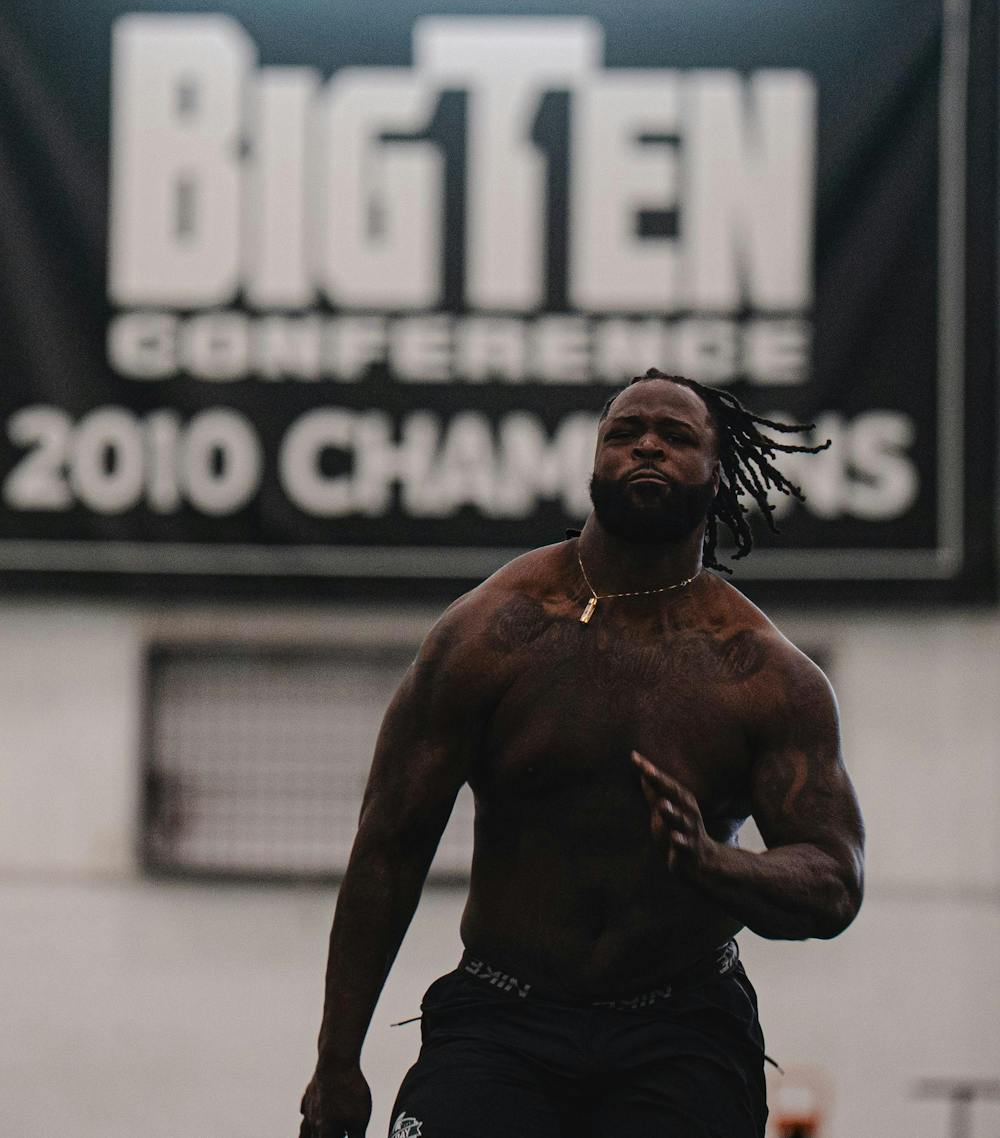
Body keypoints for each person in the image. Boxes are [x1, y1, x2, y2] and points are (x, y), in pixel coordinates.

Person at [298, 370, 865, 1138]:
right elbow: (387, 848)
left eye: (676, 436)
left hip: (681, 1025)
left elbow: (834, 882)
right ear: (594, 462)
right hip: (503, 1013)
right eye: (624, 433)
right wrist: (337, 1062)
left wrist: (714, 864)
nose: (647, 447)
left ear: (717, 471)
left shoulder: (764, 675)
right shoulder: (491, 632)